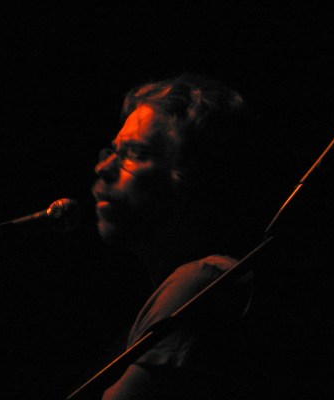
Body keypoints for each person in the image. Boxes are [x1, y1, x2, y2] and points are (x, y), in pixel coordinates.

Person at [91, 73, 267, 399]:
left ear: (194, 174)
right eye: (113, 151)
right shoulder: (177, 289)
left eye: (135, 153)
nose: (103, 168)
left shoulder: (204, 283)